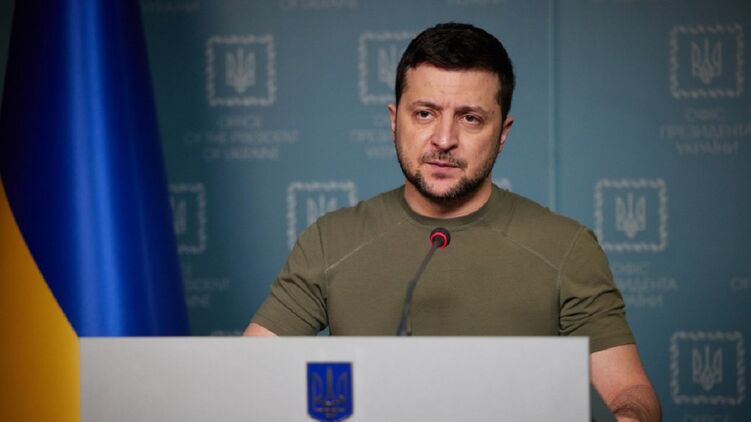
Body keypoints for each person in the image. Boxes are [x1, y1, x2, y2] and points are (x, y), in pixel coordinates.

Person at [245, 22, 661, 421]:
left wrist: (629, 416)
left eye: (470, 118)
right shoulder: (330, 240)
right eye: (425, 113)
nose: (444, 140)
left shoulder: (567, 247)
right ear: (394, 120)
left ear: (503, 133)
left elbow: (627, 392)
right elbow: (249, 377)